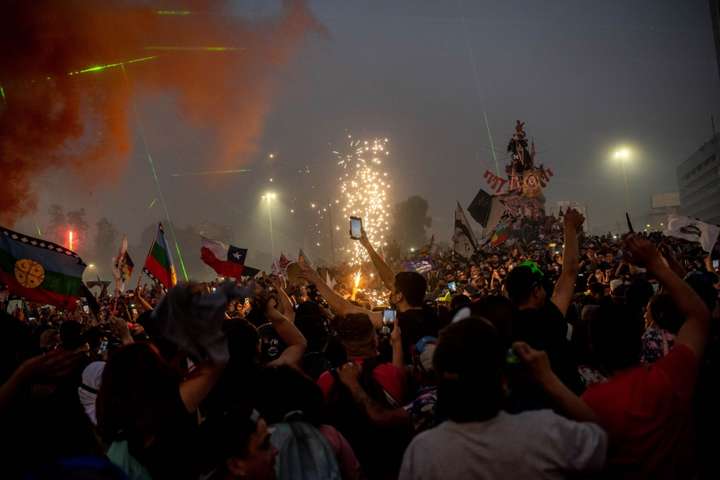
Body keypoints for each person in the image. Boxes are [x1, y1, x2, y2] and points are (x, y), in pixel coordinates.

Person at [398, 317, 607, 479]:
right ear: (502, 378)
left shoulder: (423, 451)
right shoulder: (547, 432)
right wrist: (547, 377)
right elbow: (602, 441)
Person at [581, 234, 711, 479]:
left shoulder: (591, 403)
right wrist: (656, 264)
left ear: (594, 347)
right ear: (639, 336)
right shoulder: (670, 376)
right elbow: (699, 316)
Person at [504, 208, 585, 408]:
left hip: (523, 413)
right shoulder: (550, 316)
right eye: (541, 287)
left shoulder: (504, 326)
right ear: (535, 291)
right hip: (565, 405)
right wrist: (570, 227)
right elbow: (570, 271)